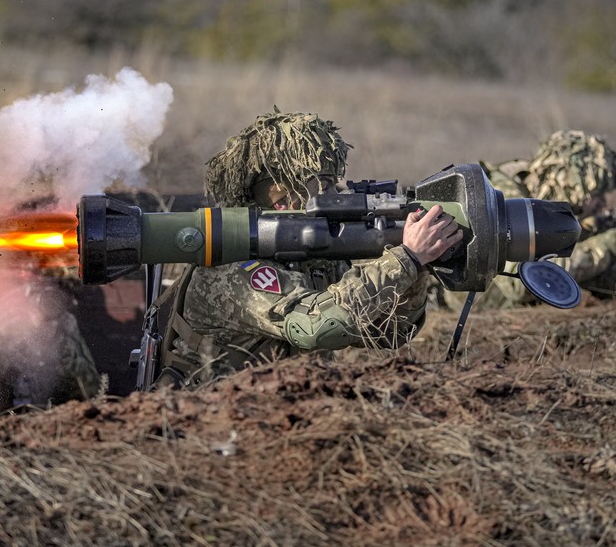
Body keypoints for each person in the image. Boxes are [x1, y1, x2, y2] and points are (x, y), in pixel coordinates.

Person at [151, 109, 463, 389]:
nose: (332, 194)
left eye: (331, 184)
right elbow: (314, 327)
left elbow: (390, 332)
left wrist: (416, 266)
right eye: (317, 186)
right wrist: (405, 258)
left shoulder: (311, 259)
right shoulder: (233, 268)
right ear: (281, 198)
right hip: (203, 421)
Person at [433, 129, 616, 310]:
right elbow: (523, 282)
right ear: (571, 185)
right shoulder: (500, 200)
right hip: (445, 307)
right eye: (596, 195)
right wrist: (604, 247)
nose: (601, 205)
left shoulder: (542, 200)